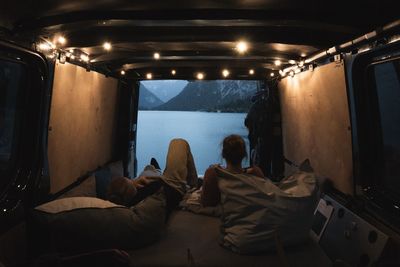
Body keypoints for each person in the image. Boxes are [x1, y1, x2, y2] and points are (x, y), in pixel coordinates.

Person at [107, 138, 198, 218]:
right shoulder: (140, 206)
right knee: (178, 143)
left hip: (160, 184)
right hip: (171, 186)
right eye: (128, 183)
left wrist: (134, 183)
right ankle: (194, 186)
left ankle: (154, 168)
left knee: (148, 169)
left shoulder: (133, 197)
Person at [201, 134, 264, 207]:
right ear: (244, 154)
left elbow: (207, 203)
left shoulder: (213, 173)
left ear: (223, 154)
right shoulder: (256, 173)